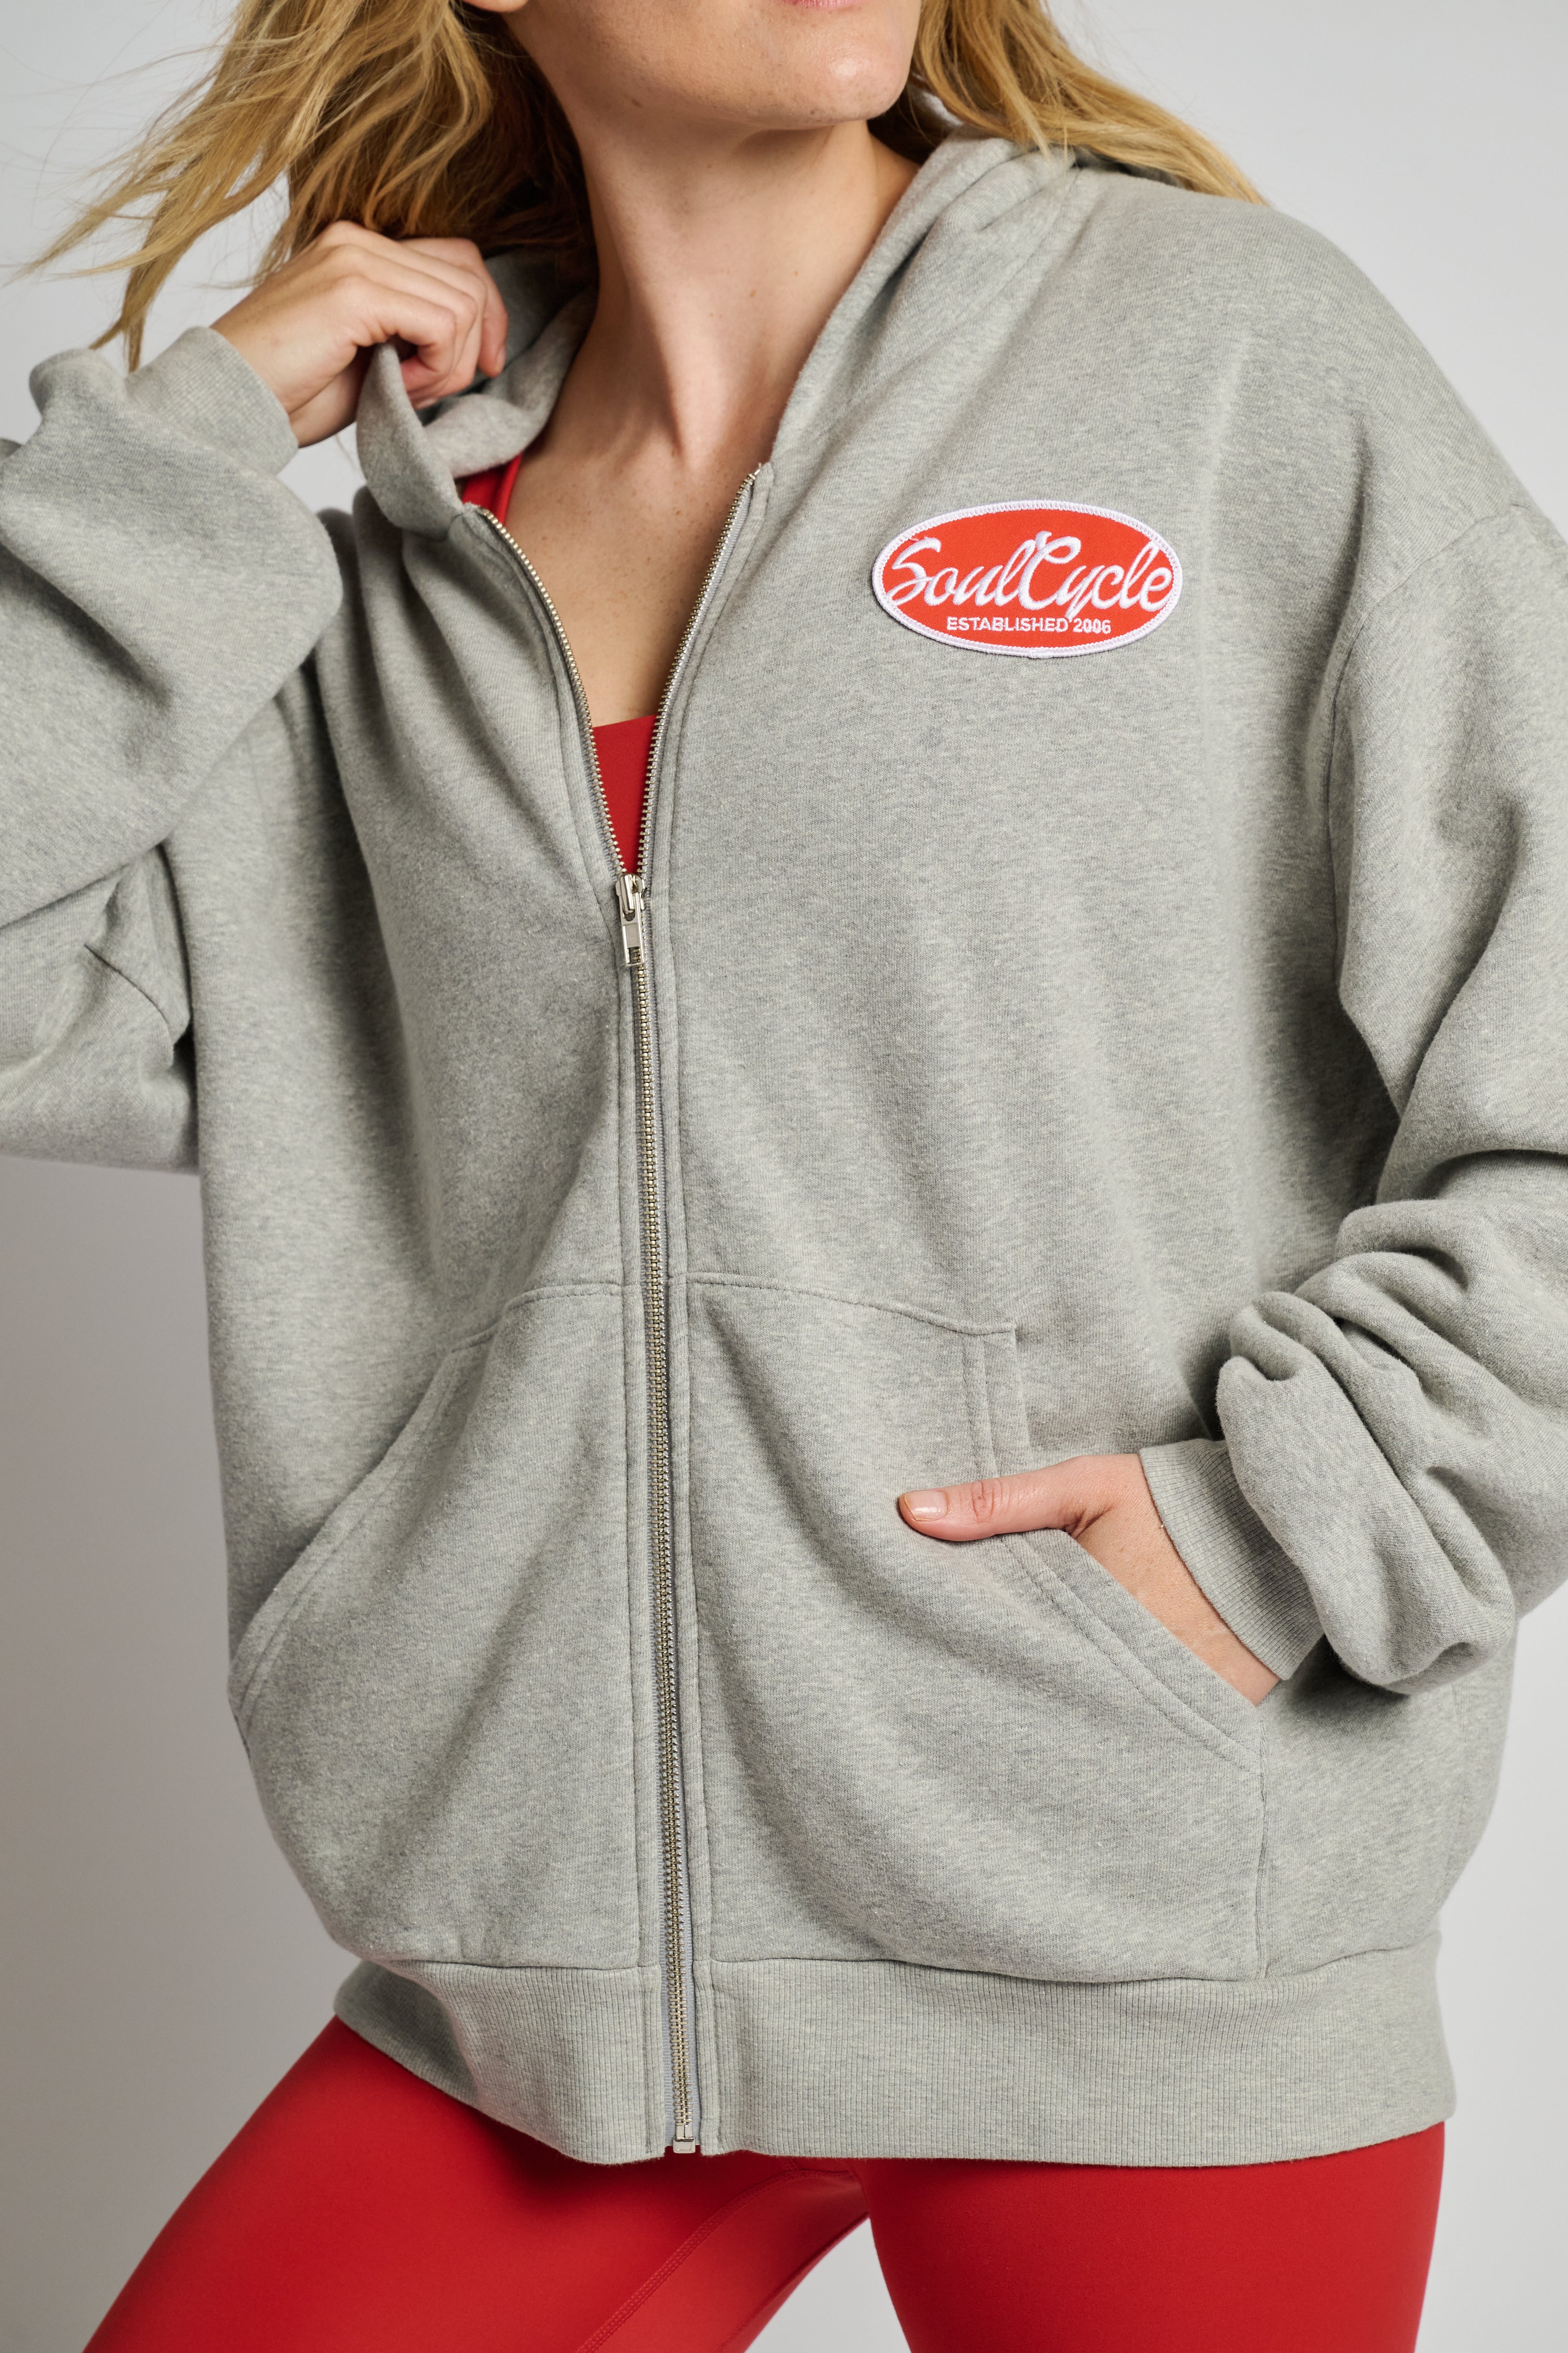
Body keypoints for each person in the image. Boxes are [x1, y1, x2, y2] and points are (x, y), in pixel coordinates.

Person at [4, 0, 1565, 2344]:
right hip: (542, 1978)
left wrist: (1274, 1532)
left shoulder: (1218, 357)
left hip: (1135, 1933)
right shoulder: (378, 589)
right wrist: (189, 460)